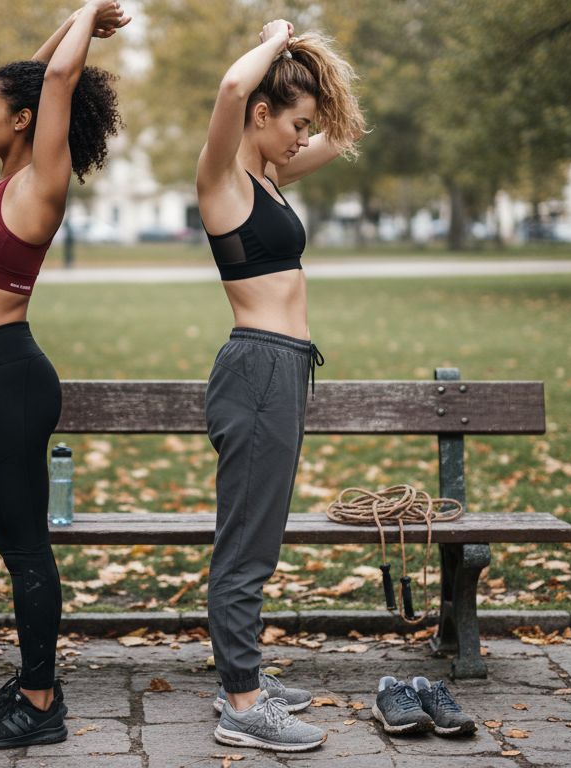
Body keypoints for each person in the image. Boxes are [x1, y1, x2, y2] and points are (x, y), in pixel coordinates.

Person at [0, 0, 128, 750]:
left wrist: (87, 12)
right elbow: (40, 71)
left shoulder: (40, 180)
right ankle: (30, 678)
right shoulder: (14, 173)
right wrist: (72, 21)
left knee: (23, 546)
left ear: (23, 121)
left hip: (9, 379)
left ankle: (41, 699)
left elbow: (52, 78)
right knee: (16, 540)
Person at [195, 19, 365, 753]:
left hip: (284, 368)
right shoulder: (223, 177)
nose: (304, 138)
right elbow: (235, 85)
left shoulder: (269, 176)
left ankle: (247, 675)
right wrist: (275, 38)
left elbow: (345, 130)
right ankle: (242, 704)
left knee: (258, 536)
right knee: (247, 546)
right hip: (259, 368)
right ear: (260, 117)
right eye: (290, 123)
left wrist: (313, 71)